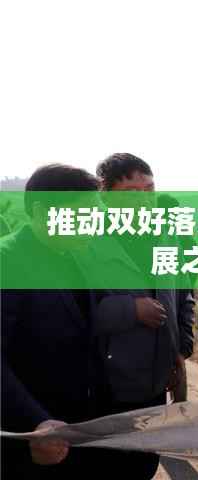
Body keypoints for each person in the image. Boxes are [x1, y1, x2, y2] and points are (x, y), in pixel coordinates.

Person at [75, 153, 195, 479]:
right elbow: (72, 311)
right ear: (104, 194)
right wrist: (130, 310)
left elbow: (183, 294)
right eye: (131, 192)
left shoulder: (165, 235)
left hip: (154, 384)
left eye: (149, 190)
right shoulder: (85, 241)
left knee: (144, 464)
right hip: (106, 385)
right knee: (108, 467)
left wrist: (181, 346)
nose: (144, 200)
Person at [0, 164, 109, 479]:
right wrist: (34, 420)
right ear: (40, 211)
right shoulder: (8, 261)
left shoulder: (76, 256)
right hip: (29, 441)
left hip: (74, 431)